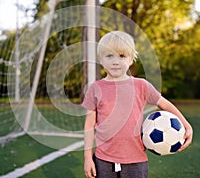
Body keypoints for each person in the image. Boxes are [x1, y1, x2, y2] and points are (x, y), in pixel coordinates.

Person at [82, 31, 193, 178]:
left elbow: (164, 104)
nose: (115, 61)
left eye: (122, 56)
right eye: (109, 56)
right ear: (101, 60)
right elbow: (89, 126)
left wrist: (186, 124)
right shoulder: (95, 89)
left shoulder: (141, 85)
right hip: (103, 159)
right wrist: (87, 158)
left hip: (136, 160)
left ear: (131, 59)